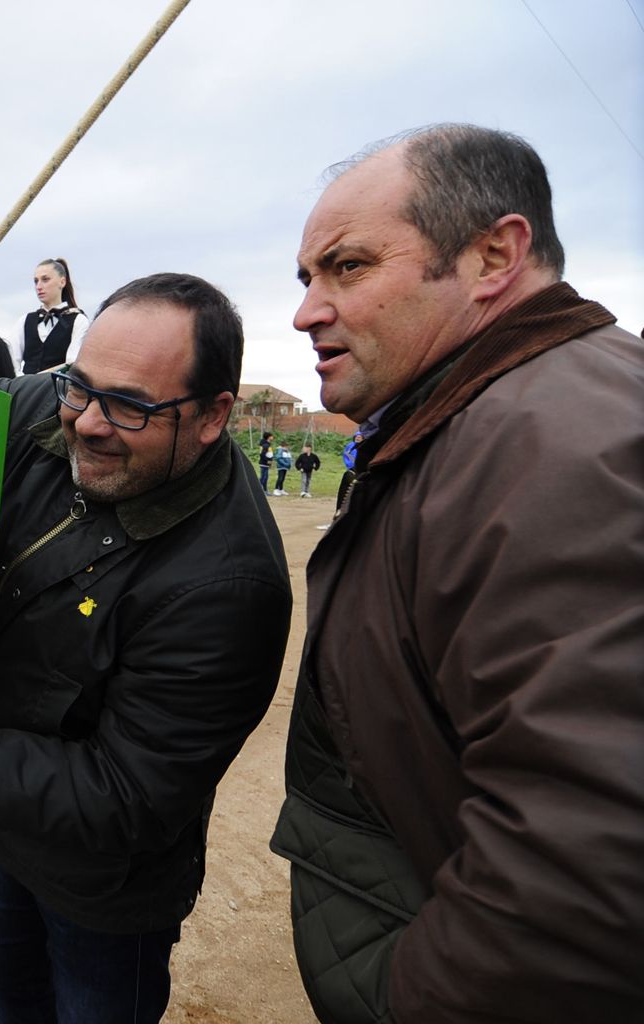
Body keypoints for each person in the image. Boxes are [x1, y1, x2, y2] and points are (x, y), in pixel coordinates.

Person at [0, 272, 292, 1023]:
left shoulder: (227, 586)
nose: (88, 423)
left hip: (108, 890)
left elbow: (127, 797)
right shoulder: (51, 407)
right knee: (6, 990)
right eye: (80, 387)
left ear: (212, 416)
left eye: (130, 405)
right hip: (2, 826)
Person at [270, 123, 644, 1023]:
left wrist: (409, 1000)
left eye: (347, 267)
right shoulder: (479, 423)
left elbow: (583, 877)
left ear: (492, 255)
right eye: (305, 278)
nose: (305, 311)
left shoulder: (553, 445)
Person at [7, 257, 91, 374]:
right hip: (23, 389)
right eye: (36, 281)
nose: (38, 286)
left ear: (62, 282)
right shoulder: (24, 321)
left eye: (45, 279)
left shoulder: (78, 321)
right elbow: (11, 362)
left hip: (58, 389)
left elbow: (72, 365)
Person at [336, 430, 362, 510]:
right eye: (357, 437)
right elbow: (346, 455)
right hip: (352, 468)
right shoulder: (350, 446)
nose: (358, 438)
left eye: (360, 437)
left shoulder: (363, 446)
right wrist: (352, 463)